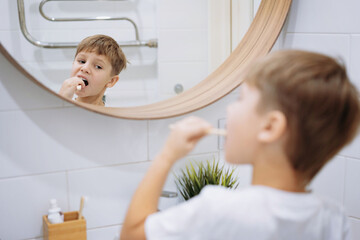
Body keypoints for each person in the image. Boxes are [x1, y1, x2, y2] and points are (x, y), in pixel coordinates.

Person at [120, 50, 360, 240]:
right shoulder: (333, 218)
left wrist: (167, 156)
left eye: (241, 99)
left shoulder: (219, 210)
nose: (230, 108)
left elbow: (132, 234)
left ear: (270, 127)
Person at [59, 34, 127, 106]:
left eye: (98, 66)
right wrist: (61, 100)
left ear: (111, 81)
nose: (85, 68)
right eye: (82, 61)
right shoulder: (63, 103)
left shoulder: (110, 114)